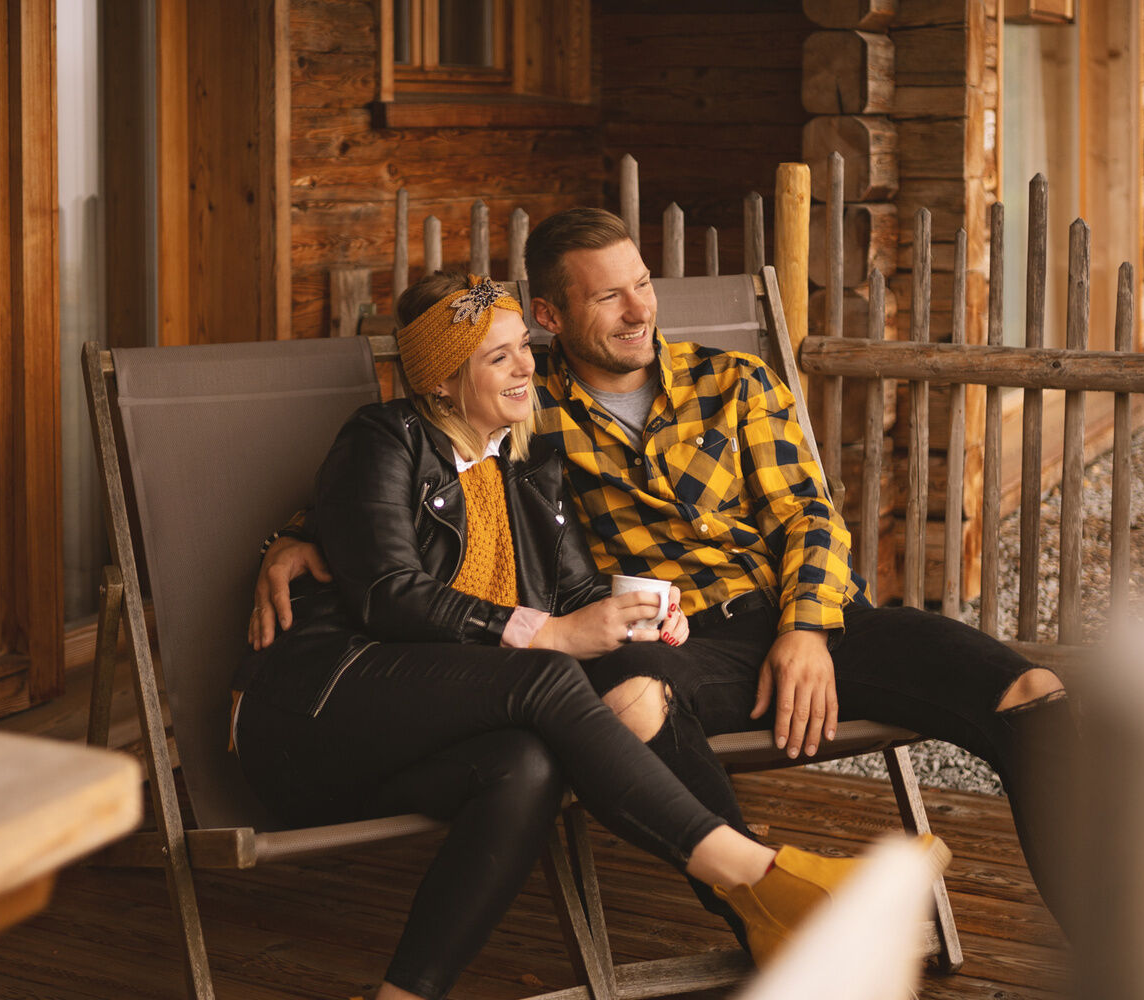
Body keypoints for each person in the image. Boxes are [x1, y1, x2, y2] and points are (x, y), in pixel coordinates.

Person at [255, 209, 1082, 944]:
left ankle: (1112, 937)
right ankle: (769, 910)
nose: (640, 309)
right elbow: (420, 462)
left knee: (1031, 693)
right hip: (679, 646)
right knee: (630, 697)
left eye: (643, 284)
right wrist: (297, 534)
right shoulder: (533, 415)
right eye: (608, 296)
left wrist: (805, 630)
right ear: (551, 316)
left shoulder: (734, 383)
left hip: (812, 621)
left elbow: (810, 517)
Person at [235, 271, 942, 1000]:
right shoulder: (385, 437)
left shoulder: (530, 462)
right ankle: (753, 875)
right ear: (443, 381)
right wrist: (549, 633)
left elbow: (573, 593)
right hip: (319, 709)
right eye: (497, 358)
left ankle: (404, 995)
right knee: (546, 673)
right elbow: (387, 593)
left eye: (523, 348)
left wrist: (645, 610)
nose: (525, 368)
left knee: (527, 768)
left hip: (424, 734)